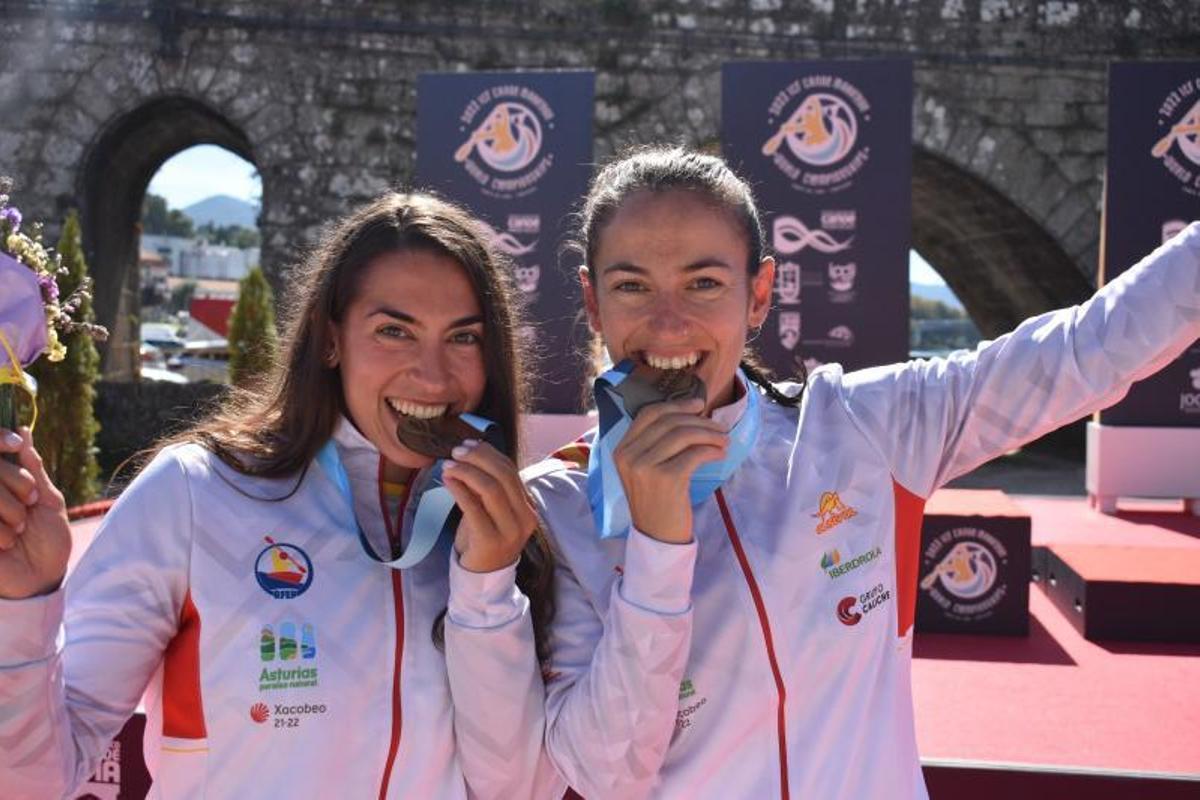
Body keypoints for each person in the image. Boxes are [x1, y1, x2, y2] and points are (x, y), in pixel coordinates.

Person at [520, 146, 1200, 799]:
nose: (668, 323)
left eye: (705, 283)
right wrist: (658, 550)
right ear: (592, 300)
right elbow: (607, 774)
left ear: (759, 294)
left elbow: (1089, 349)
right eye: (632, 285)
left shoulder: (862, 427)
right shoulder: (556, 503)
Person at [0, 192, 562, 799]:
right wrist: (22, 605)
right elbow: (33, 782)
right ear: (330, 339)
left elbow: (513, 789)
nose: (433, 375)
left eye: (464, 338)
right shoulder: (195, 493)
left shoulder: (499, 525)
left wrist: (486, 587)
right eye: (394, 331)